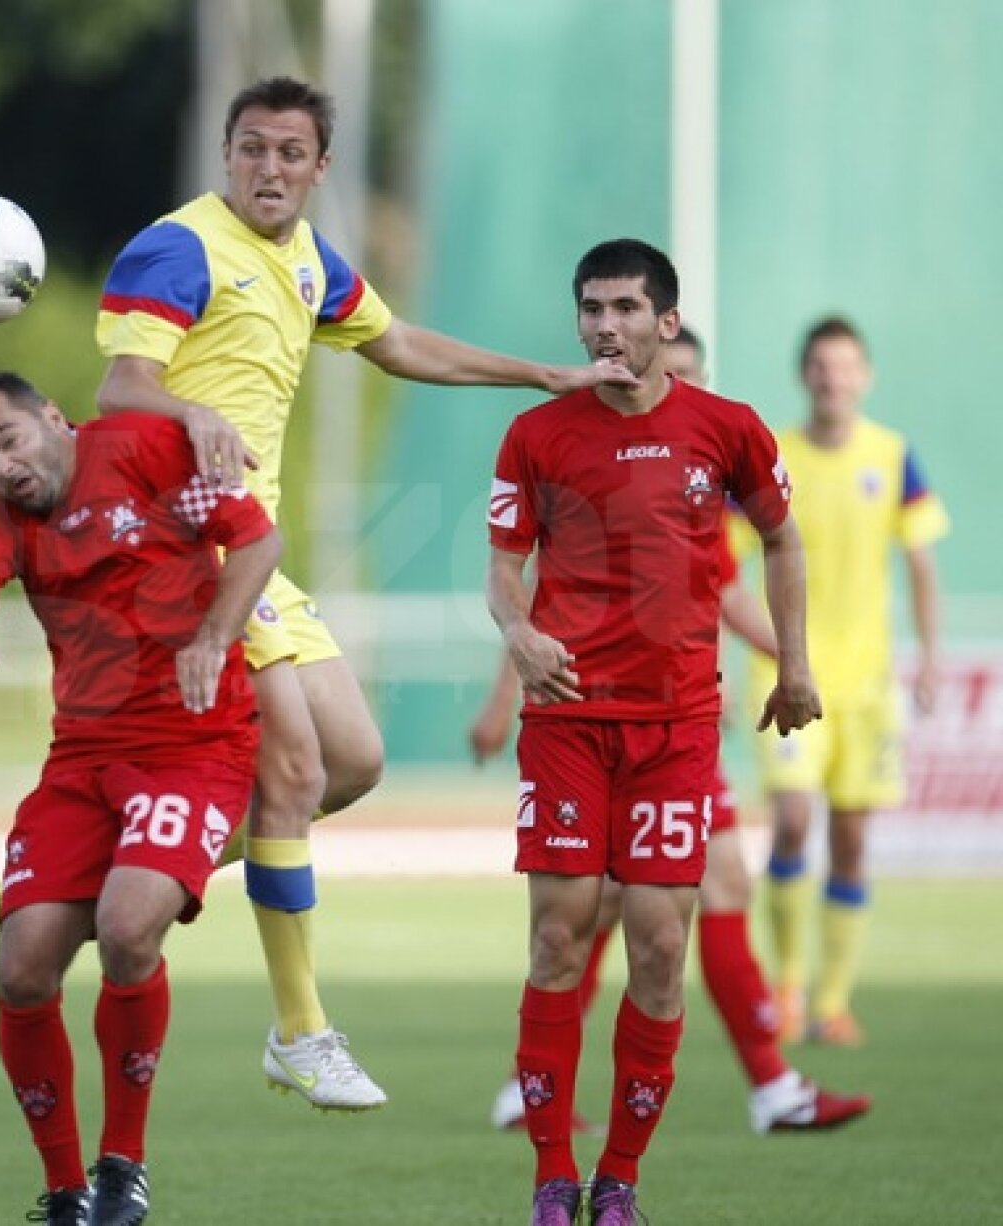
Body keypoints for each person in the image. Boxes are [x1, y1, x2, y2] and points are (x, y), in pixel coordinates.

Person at [95, 75, 627, 1110]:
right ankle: (301, 1028)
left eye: (291, 154)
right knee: (291, 764)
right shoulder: (177, 247)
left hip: (252, 554)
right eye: (252, 149)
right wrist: (190, 415)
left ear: (319, 167)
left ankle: (178, 841)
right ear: (227, 152)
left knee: (354, 761)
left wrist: (541, 375)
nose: (270, 169)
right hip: (177, 550)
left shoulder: (307, 261)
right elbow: (122, 386)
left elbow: (397, 343)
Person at [486, 239, 821, 1226]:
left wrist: (794, 662)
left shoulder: (727, 429)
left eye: (627, 307)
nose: (605, 326)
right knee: (558, 930)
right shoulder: (538, 433)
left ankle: (621, 1176)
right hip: (565, 719)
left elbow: (782, 539)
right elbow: (504, 565)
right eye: (592, 308)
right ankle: (554, 1174)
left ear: (666, 324)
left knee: (660, 945)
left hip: (675, 724)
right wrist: (519, 629)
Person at [0, 372, 281, 1226]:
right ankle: (63, 1195)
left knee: (129, 928)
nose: (2, 467)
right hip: (82, 760)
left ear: (54, 418)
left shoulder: (146, 448)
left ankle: (123, 1168)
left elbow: (259, 541)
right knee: (20, 970)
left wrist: (212, 637)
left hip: (193, 746)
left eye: (10, 440)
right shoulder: (5, 512)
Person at [736, 317, 950, 1046]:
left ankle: (832, 1003)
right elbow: (724, 559)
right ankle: (787, 988)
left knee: (853, 841)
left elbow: (921, 561)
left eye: (847, 366)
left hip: (867, 687)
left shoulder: (892, 457)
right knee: (794, 819)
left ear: (866, 376)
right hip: (783, 670)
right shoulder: (776, 459)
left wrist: (929, 657)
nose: (834, 379)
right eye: (822, 367)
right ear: (805, 376)